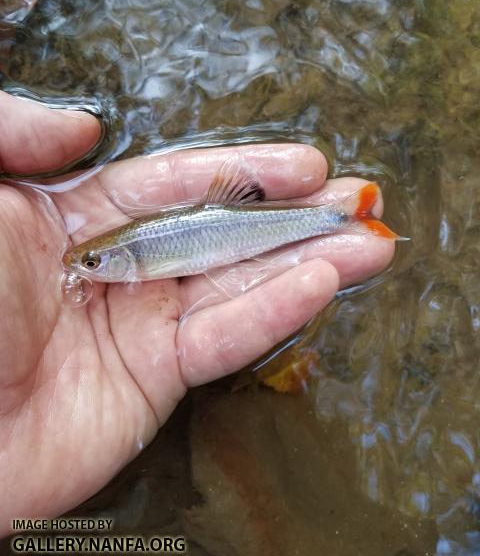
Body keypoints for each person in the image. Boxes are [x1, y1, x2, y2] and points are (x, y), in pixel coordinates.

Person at [0, 91, 394, 536]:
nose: (88, 268)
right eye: (93, 264)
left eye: (92, 263)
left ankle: (343, 218)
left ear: (118, 259)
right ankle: (345, 217)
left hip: (240, 225)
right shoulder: (127, 255)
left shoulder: (135, 256)